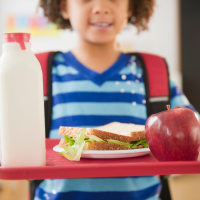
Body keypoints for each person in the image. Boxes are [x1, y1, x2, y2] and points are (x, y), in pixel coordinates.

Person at [33, 0, 197, 199]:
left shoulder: (154, 74)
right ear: (63, 7)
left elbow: (192, 131)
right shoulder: (37, 73)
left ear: (130, 7)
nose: (101, 7)